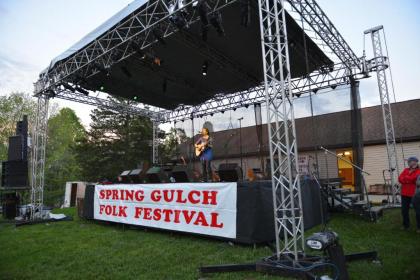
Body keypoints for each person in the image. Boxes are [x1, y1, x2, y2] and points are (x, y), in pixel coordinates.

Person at [398, 156, 420, 232]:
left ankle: (419, 227)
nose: (409, 163)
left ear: (415, 162)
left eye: (411, 161)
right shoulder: (406, 170)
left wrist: (406, 178)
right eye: (409, 162)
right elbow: (400, 178)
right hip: (404, 193)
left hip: (415, 194)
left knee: (418, 211)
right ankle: (406, 225)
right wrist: (408, 179)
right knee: (404, 211)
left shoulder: (419, 170)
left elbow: (414, 178)